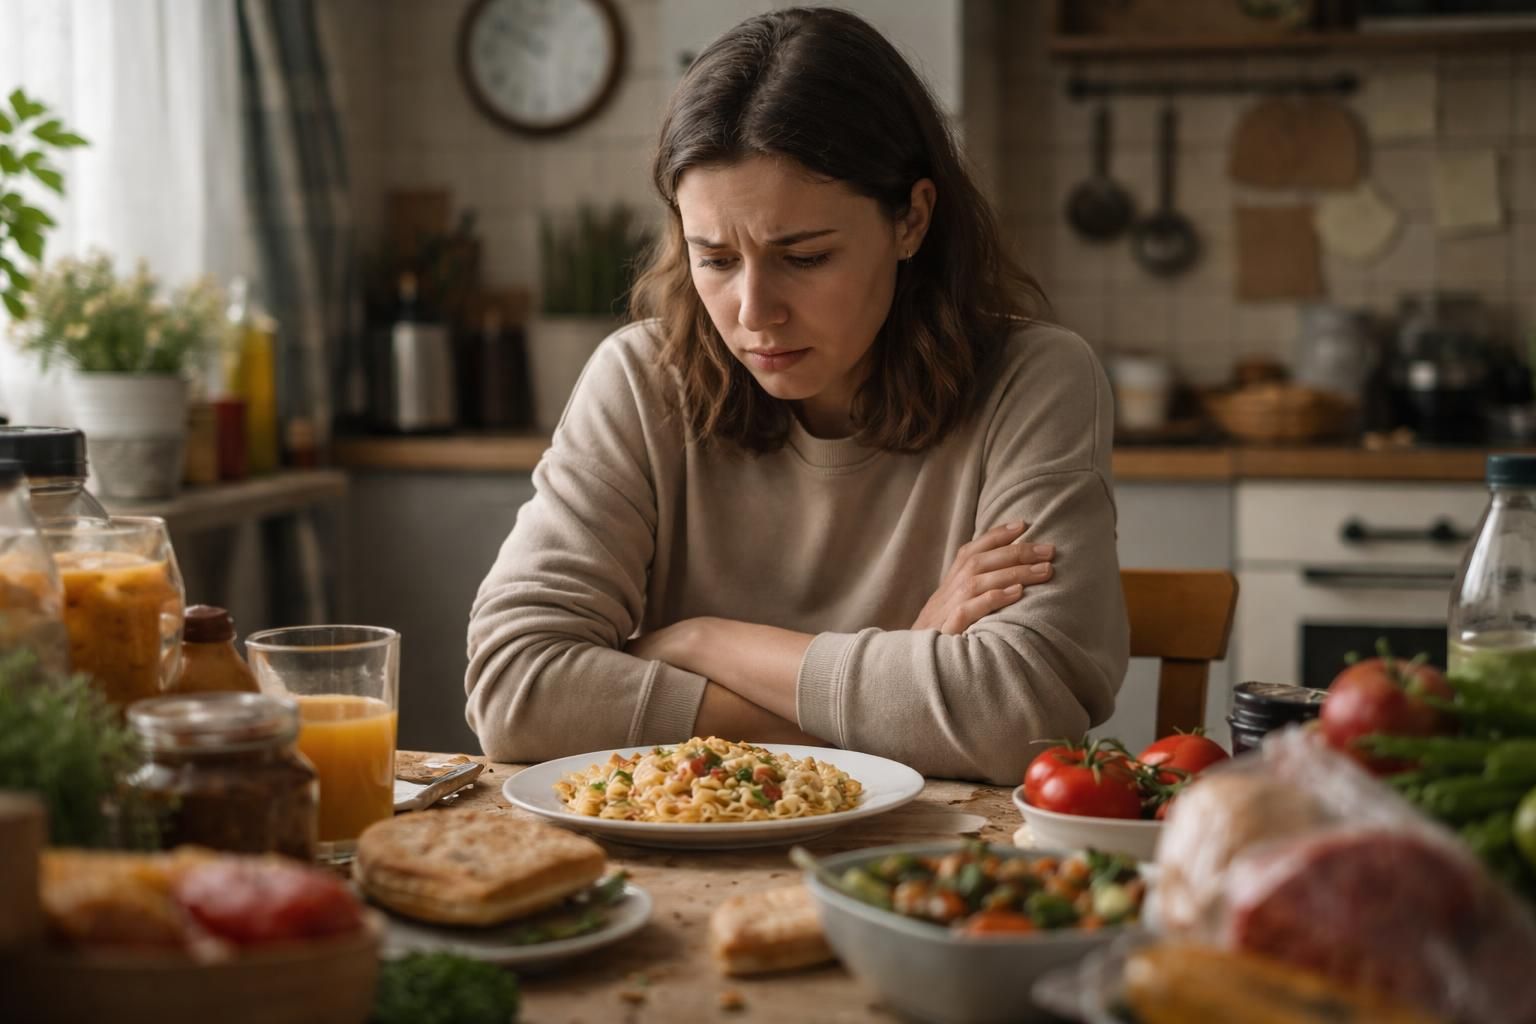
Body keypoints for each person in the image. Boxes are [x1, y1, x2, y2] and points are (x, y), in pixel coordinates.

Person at [466, 7, 1128, 785]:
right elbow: (515, 691)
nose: (754, 313)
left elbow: (1022, 718)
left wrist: (700, 642)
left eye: (805, 257)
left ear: (911, 219)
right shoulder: (639, 379)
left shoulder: (1035, 379)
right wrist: (899, 684)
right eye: (713, 259)